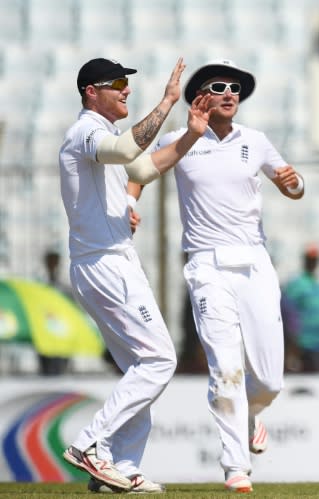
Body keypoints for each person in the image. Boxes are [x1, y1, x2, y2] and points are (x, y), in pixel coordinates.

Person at [58, 57, 211, 494]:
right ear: (91, 91)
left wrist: (192, 135)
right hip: (106, 264)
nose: (126, 90)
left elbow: (142, 170)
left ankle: (122, 464)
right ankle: (91, 444)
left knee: (140, 368)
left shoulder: (100, 138)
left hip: (109, 262)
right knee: (161, 359)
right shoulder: (85, 131)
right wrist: (167, 102)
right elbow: (129, 152)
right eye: (118, 83)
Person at [155, 58, 305, 493]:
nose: (229, 94)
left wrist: (291, 184)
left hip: (254, 263)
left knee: (270, 379)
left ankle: (252, 414)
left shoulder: (254, 141)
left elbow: (293, 186)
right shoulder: (180, 140)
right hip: (206, 265)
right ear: (200, 94)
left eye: (235, 88)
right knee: (225, 367)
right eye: (219, 86)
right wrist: (129, 203)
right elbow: (142, 172)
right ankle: (235, 466)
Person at [283, 245, 319, 373]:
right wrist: (293, 340)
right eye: (310, 260)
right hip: (304, 343)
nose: (312, 263)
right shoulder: (297, 285)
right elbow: (288, 314)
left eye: (314, 260)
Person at [37, 249, 71, 375]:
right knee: (46, 365)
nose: (52, 265)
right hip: (44, 330)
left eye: (55, 262)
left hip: (62, 329)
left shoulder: (64, 284)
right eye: (50, 262)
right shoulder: (40, 283)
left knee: (61, 364)